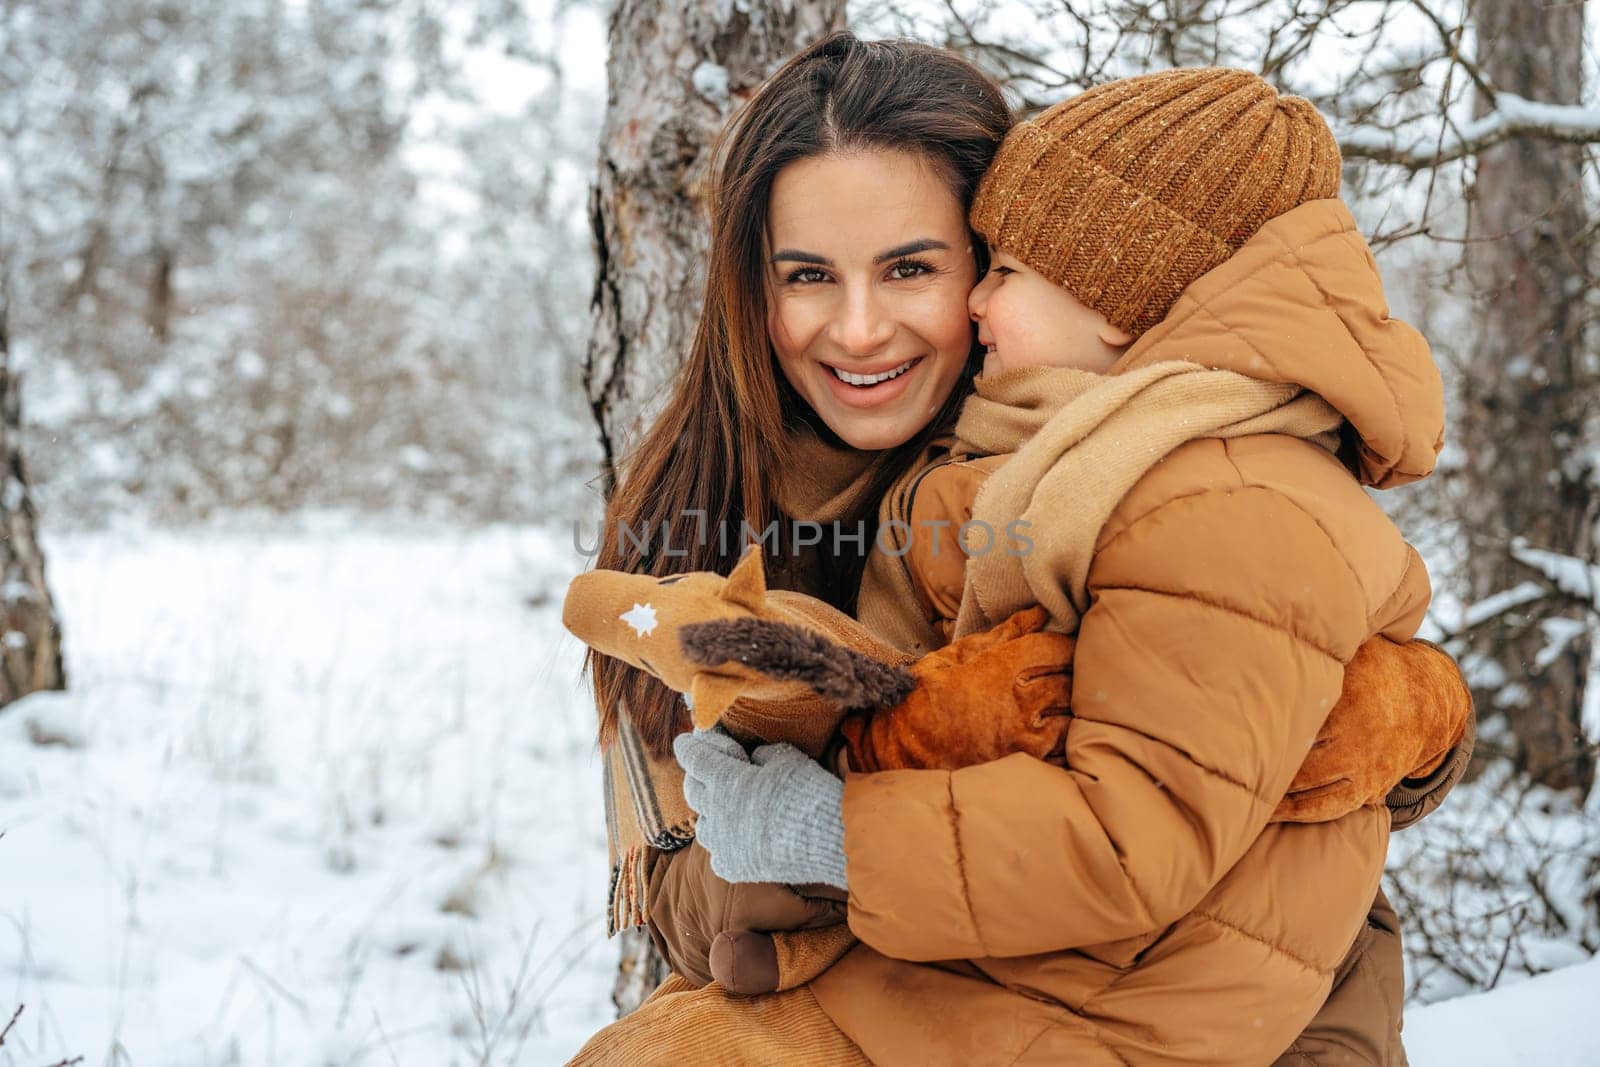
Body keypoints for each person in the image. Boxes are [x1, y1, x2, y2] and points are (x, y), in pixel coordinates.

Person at [573, 34, 1472, 1065]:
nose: (860, 329)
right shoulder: (692, 525)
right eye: (809, 275)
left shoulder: (1114, 451)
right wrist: (830, 808)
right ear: (750, 288)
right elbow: (683, 902)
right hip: (881, 1005)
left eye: (912, 267)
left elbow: (1240, 671)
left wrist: (1405, 714)